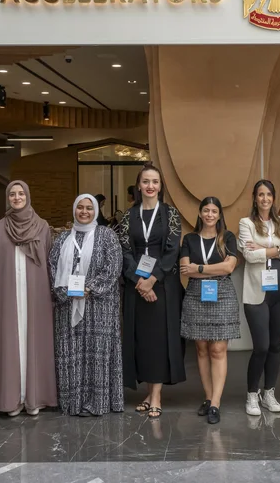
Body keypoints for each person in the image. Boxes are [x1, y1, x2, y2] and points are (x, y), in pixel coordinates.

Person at [0, 181, 59, 416]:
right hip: (7, 295)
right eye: (12, 194)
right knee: (10, 342)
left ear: (27, 195)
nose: (17, 197)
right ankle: (12, 399)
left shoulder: (43, 226)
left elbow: (48, 263)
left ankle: (34, 398)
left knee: (34, 341)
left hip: (36, 295)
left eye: (20, 193)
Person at [118, 164, 185, 419]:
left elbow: (172, 251)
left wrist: (153, 279)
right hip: (137, 286)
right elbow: (124, 251)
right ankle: (149, 392)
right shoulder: (128, 216)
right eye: (145, 181)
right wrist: (139, 280)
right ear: (139, 185)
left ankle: (156, 396)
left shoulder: (171, 215)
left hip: (163, 286)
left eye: (155, 181)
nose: (150, 186)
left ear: (160, 186)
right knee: (142, 341)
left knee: (159, 342)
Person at [48, 194, 124, 416]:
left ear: (96, 211)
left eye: (89, 208)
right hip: (68, 305)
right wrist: (65, 291)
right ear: (74, 210)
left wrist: (89, 288)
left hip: (99, 306)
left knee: (96, 355)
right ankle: (72, 402)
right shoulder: (62, 239)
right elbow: (52, 267)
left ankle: (97, 402)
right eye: (80, 207)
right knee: (71, 354)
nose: (84, 212)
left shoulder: (107, 235)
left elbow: (113, 266)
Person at [179, 197, 241, 424]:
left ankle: (216, 403)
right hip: (196, 294)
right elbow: (186, 270)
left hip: (222, 294)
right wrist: (209, 269)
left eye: (214, 211)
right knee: (202, 348)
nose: (210, 215)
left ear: (219, 214)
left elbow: (230, 266)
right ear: (200, 213)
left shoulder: (228, 237)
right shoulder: (190, 239)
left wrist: (201, 268)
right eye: (206, 210)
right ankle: (207, 398)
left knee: (218, 349)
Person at [237, 180, 280, 417]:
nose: (264, 198)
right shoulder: (246, 223)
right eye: (260, 194)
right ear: (255, 198)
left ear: (273, 198)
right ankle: (252, 394)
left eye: (268, 194)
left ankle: (269, 392)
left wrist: (265, 248)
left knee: (274, 346)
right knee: (260, 346)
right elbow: (249, 256)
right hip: (257, 293)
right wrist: (279, 249)